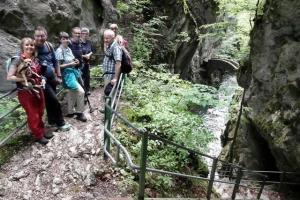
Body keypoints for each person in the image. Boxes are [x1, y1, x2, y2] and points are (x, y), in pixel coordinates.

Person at [7, 38, 51, 145]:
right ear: (22, 46)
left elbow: (38, 73)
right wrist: (25, 80)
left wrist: (42, 78)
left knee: (40, 111)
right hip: (26, 92)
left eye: (31, 45)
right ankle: (38, 135)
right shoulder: (17, 60)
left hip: (38, 88)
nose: (30, 47)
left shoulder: (35, 59)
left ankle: (41, 130)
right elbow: (9, 77)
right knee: (33, 114)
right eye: (27, 45)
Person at [34, 26, 71, 131]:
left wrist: (58, 76)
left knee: (50, 101)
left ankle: (51, 121)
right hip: (41, 80)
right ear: (34, 36)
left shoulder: (48, 45)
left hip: (52, 78)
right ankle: (61, 123)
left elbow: (55, 62)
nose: (40, 38)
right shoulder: (32, 47)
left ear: (46, 36)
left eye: (42, 35)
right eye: (37, 36)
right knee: (54, 100)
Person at [55, 32, 87, 122]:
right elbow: (58, 67)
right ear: (60, 40)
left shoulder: (68, 48)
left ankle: (70, 111)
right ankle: (80, 113)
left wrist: (75, 60)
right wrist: (71, 64)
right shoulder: (59, 51)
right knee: (81, 91)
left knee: (72, 92)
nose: (66, 40)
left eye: (67, 38)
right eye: (63, 38)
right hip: (66, 75)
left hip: (72, 73)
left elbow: (72, 59)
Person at [80, 27, 93, 95]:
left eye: (86, 34)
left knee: (87, 77)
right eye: (83, 33)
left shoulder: (89, 42)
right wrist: (85, 56)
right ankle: (82, 91)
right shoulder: (79, 43)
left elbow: (92, 51)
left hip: (87, 63)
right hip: (81, 63)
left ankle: (87, 90)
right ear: (81, 34)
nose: (85, 35)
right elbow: (76, 54)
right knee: (81, 77)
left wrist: (89, 54)